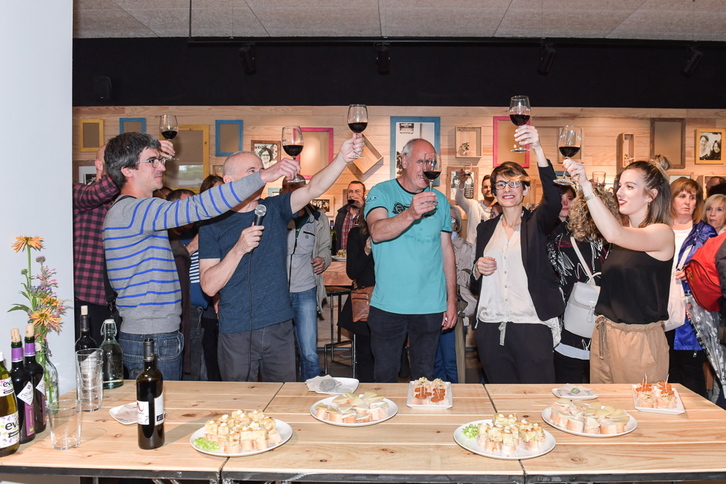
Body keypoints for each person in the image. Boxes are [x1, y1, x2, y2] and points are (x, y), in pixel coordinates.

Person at [102, 132, 298, 380]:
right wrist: (264, 176)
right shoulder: (135, 210)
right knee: (154, 413)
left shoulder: (133, 210)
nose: (161, 166)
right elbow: (197, 207)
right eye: (152, 161)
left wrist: (147, 148)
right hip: (150, 336)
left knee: (156, 411)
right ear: (127, 170)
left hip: (153, 333)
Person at [198, 135, 363, 382]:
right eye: (252, 171)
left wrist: (341, 158)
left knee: (283, 397)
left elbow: (313, 188)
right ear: (229, 181)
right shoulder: (212, 223)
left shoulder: (273, 208)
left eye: (262, 170)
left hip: (279, 326)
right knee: (240, 403)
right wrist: (239, 248)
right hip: (236, 330)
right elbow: (209, 285)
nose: (261, 176)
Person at [564, 159, 675, 384]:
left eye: (630, 187)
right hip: (605, 333)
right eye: (620, 185)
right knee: (607, 412)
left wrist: (586, 185)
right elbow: (613, 232)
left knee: (639, 412)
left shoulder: (662, 233)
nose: (620, 192)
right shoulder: (626, 234)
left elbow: (613, 233)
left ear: (651, 195)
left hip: (638, 341)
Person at [470, 125, 564, 384]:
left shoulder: (537, 223)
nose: (508, 188)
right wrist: (478, 269)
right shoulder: (485, 229)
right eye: (501, 183)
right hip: (490, 326)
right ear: (494, 191)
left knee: (537, 398)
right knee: (500, 400)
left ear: (524, 189)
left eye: (514, 183)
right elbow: (474, 283)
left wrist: (537, 149)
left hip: (531, 324)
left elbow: (554, 200)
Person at [364, 138, 457, 383]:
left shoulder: (441, 200)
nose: (427, 167)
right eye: (420, 161)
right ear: (404, 161)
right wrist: (410, 214)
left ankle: (421, 421)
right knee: (384, 376)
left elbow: (447, 250)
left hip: (430, 306)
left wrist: (451, 300)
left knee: (425, 378)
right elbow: (377, 231)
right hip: (388, 305)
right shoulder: (381, 192)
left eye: (431, 162)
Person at [547, 185, 618, 383]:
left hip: (570, 329)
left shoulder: (560, 239)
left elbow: (550, 277)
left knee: (567, 394)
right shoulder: (618, 241)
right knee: (604, 397)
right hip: (608, 332)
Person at [666, 177, 716, 397]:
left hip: (692, 311)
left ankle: (697, 422)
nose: (687, 201)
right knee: (666, 369)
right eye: (682, 195)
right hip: (661, 307)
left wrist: (692, 274)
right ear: (672, 199)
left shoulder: (706, 233)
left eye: (692, 197)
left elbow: (714, 272)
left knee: (690, 368)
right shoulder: (659, 227)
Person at [281, 178, 332, 381]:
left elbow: (325, 249)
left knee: (310, 352)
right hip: (277, 292)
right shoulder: (274, 215)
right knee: (279, 353)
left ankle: (312, 394)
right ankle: (283, 393)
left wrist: (323, 260)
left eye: (297, 187)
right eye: (288, 187)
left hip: (306, 291)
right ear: (283, 190)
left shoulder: (319, 218)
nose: (292, 191)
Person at [73, 144, 116, 344]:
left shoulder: (124, 203)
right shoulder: (79, 194)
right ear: (98, 164)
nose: (120, 163)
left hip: (122, 302)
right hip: (89, 298)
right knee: (89, 363)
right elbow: (96, 194)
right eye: (114, 159)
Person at [434, 206, 475, 383]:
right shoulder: (431, 246)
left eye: (451, 219)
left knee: (452, 360)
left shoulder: (467, 248)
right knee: (435, 360)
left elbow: (465, 279)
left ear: (457, 224)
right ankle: (437, 393)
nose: (447, 222)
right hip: (432, 307)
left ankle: (457, 395)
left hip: (456, 308)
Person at [339, 206, 376, 382]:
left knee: (391, 351)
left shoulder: (395, 233)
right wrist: (366, 250)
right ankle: (368, 392)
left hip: (392, 299)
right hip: (366, 302)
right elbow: (352, 272)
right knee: (365, 353)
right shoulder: (357, 234)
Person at [166, 188, 198, 379]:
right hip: (171, 317)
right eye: (188, 206)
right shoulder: (163, 235)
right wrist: (193, 246)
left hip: (194, 309)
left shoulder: (196, 230)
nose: (192, 212)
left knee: (196, 364)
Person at [455, 173, 495, 244]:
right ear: (482, 190)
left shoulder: (500, 209)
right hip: (472, 250)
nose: (488, 189)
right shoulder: (473, 205)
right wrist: (462, 183)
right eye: (485, 187)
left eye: (491, 187)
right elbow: (459, 199)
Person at [333, 181, 366, 253]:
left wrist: (363, 207)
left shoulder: (369, 213)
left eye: (357, 191)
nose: (353, 194)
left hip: (362, 259)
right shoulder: (341, 214)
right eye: (350, 191)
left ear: (364, 194)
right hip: (343, 258)